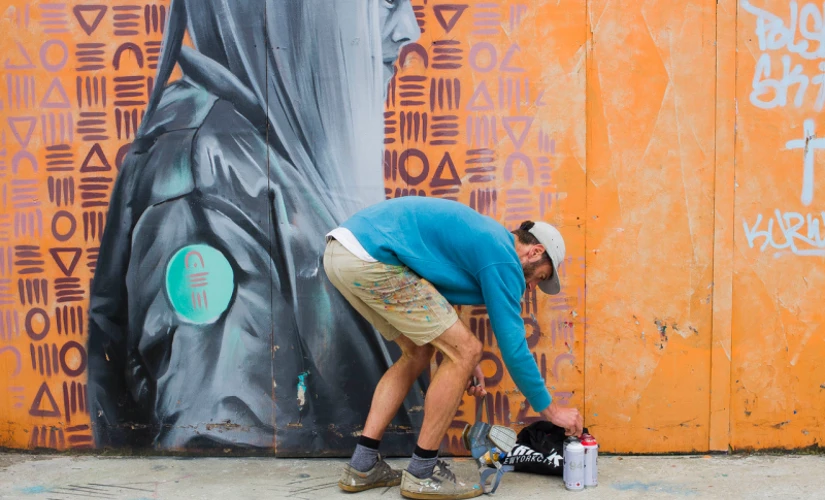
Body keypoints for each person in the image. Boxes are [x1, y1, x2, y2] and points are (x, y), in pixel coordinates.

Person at [87, 0, 424, 454]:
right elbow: (218, 441)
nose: (408, 30)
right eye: (385, 2)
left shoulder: (257, 156)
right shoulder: (203, 187)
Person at [325, 196, 584, 499]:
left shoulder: (487, 241)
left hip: (342, 253)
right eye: (538, 277)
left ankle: (363, 465)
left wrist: (461, 356)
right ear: (535, 251)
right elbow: (514, 349)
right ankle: (423, 472)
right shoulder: (504, 257)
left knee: (418, 352)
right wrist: (552, 411)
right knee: (466, 350)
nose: (529, 287)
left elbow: (437, 298)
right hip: (371, 257)